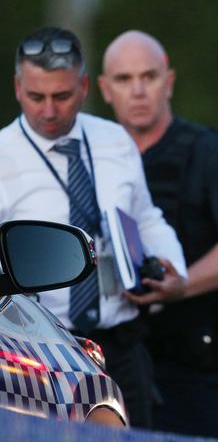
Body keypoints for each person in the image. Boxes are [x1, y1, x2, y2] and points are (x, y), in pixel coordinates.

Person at [0, 26, 188, 429]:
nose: (48, 111)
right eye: (36, 97)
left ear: (84, 86)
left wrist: (175, 272)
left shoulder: (114, 139)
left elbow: (146, 215)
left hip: (121, 342)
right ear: (18, 88)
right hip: (41, 354)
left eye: (62, 96)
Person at [99, 30, 218, 438]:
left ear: (170, 81)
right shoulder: (90, 155)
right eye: (124, 80)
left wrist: (181, 286)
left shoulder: (207, 150)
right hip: (114, 361)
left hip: (196, 362)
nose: (138, 90)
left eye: (149, 76)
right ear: (105, 89)